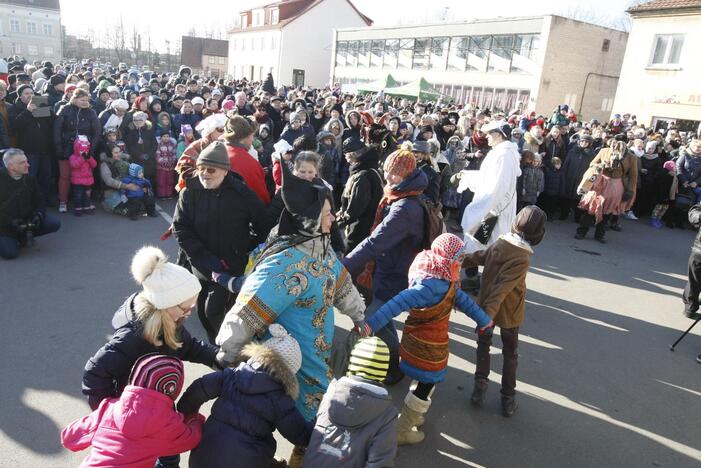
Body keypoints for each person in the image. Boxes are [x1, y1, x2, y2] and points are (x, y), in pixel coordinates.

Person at [215, 161, 366, 468]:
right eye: (327, 213)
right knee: (309, 424)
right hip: (290, 361)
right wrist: (227, 354)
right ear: (310, 219)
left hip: (317, 354)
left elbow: (342, 286)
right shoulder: (284, 263)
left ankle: (301, 456)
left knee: (313, 425)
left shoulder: (319, 248)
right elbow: (247, 313)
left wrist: (359, 316)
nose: (333, 218)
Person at [360, 234, 493, 444]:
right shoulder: (433, 285)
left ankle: (411, 413)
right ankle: (402, 429)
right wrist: (370, 325)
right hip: (429, 347)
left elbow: (464, 302)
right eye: (458, 258)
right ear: (447, 259)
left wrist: (484, 320)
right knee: (426, 384)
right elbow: (394, 305)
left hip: (415, 341)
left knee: (421, 380)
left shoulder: (433, 270)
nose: (461, 262)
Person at [82, 246, 219, 411]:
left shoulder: (169, 320)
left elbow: (188, 346)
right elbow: (94, 374)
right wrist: (112, 413)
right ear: (166, 304)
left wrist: (219, 358)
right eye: (186, 308)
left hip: (154, 404)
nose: (189, 313)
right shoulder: (134, 337)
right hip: (134, 412)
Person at [343, 149, 428, 384]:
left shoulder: (405, 208)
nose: (388, 178)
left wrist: (345, 267)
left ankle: (394, 367)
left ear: (408, 175)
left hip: (395, 274)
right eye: (387, 173)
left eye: (394, 175)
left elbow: (375, 242)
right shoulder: (401, 196)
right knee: (383, 318)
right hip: (389, 271)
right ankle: (396, 361)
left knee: (371, 319)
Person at [172, 141, 270, 343]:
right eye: (201, 169)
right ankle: (218, 346)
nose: (205, 174)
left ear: (225, 171)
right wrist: (204, 258)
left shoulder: (241, 194)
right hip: (201, 263)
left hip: (230, 265)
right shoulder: (189, 192)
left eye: (211, 169)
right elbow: (180, 227)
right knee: (202, 312)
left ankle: (228, 346)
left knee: (213, 311)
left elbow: (264, 225)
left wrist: (247, 251)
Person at [177, 324, 313, 468]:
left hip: (202, 458)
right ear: (289, 374)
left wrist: (186, 414)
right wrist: (318, 422)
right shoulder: (280, 400)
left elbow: (198, 389)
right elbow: (300, 434)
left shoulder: (232, 375)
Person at [464, 206, 546, 417]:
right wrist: (488, 317)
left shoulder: (502, 242)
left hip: (486, 307)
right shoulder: (522, 257)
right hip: (508, 311)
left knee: (484, 346)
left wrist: (458, 259)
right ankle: (508, 398)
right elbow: (503, 289)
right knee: (510, 353)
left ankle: (479, 388)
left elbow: (481, 256)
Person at [62, 355, 205, 468]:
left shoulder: (109, 408)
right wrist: (196, 419)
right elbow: (190, 439)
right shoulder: (168, 425)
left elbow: (68, 439)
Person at [302, 336, 398, 467]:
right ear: (383, 371)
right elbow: (380, 463)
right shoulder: (387, 415)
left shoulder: (332, 391)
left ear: (352, 363)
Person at [456, 120, 521, 286]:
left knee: (483, 245)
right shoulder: (501, 152)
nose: (487, 137)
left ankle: (481, 281)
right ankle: (476, 278)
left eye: (489, 134)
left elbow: (497, 187)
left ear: (498, 135)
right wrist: (468, 175)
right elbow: (489, 178)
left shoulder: (504, 155)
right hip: (493, 208)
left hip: (492, 210)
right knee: (479, 244)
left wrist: (477, 211)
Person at [0, 148, 60, 260]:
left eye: (26, 161)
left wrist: (38, 215)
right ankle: (13, 238)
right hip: (4, 226)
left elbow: (40, 201)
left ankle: (23, 235)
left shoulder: (30, 179)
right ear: (11, 166)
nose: (28, 165)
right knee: (10, 254)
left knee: (54, 223)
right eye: (22, 163)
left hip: (26, 220)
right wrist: (11, 222)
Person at [576, 138, 638, 243]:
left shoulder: (632, 157)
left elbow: (633, 176)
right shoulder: (604, 151)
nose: (617, 146)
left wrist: (630, 190)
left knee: (608, 211)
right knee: (590, 209)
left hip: (616, 184)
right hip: (600, 182)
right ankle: (581, 231)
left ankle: (600, 234)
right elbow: (592, 164)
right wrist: (602, 165)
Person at [53, 88, 101, 213]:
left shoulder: (91, 112)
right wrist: (59, 148)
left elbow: (97, 132)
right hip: (66, 147)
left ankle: (85, 201)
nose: (85, 102)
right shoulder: (65, 109)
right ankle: (63, 201)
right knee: (65, 176)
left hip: (85, 149)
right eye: (82, 100)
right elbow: (57, 130)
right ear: (74, 98)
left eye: (87, 100)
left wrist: (92, 149)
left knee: (86, 176)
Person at [336, 136, 383, 254]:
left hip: (360, 228)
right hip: (371, 224)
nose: (346, 160)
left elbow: (355, 209)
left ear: (354, 156)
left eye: (347, 155)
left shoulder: (361, 177)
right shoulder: (373, 170)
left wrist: (338, 223)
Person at [9, 83, 53, 199]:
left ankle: (43, 199)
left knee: (45, 176)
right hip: (29, 150)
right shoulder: (15, 108)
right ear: (20, 96)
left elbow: (52, 122)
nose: (30, 95)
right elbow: (15, 126)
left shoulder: (38, 104)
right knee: (31, 176)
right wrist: (28, 111)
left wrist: (45, 108)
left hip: (45, 149)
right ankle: (31, 200)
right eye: (26, 93)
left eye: (31, 93)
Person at [224, 115, 271, 205]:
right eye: (252, 135)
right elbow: (261, 197)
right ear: (245, 137)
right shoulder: (249, 163)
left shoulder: (219, 152)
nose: (253, 139)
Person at [559, 134, 595, 221]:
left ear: (589, 143)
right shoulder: (573, 151)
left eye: (586, 142)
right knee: (566, 197)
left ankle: (577, 216)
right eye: (582, 141)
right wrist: (563, 175)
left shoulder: (591, 154)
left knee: (578, 198)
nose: (584, 143)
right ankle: (564, 214)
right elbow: (566, 164)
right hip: (569, 177)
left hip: (581, 180)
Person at [69, 136, 98, 216]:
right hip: (78, 181)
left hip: (88, 181)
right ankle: (78, 209)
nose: (84, 152)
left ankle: (86, 207)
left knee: (87, 195)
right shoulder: (73, 157)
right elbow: (74, 165)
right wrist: (82, 158)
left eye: (85, 150)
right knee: (78, 195)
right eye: (81, 150)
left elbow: (94, 164)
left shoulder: (88, 156)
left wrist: (89, 158)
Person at [155, 131, 177, 199]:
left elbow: (174, 154)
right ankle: (162, 195)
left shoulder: (172, 144)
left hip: (170, 167)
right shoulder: (158, 145)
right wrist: (164, 162)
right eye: (164, 136)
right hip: (161, 167)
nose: (166, 138)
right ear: (161, 137)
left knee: (170, 181)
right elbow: (157, 156)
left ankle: (169, 194)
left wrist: (172, 161)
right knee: (161, 181)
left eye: (167, 136)